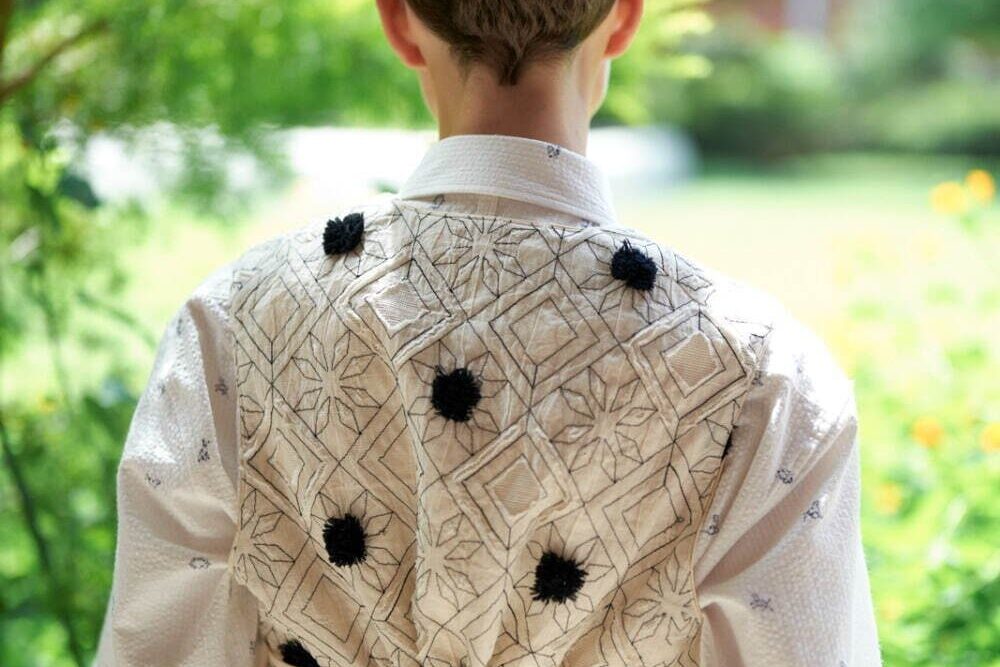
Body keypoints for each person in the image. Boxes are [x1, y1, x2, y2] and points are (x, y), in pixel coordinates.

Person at [95, 1, 883, 665]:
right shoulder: (764, 374)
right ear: (624, 18)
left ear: (398, 22)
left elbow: (157, 646)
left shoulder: (231, 325)